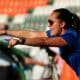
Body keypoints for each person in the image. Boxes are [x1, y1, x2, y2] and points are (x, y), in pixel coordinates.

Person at [0, 8, 80, 78]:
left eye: (51, 22)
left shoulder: (70, 36)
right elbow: (32, 34)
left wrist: (21, 41)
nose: (48, 26)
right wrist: (5, 32)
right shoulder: (63, 34)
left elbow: (44, 41)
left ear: (62, 24)